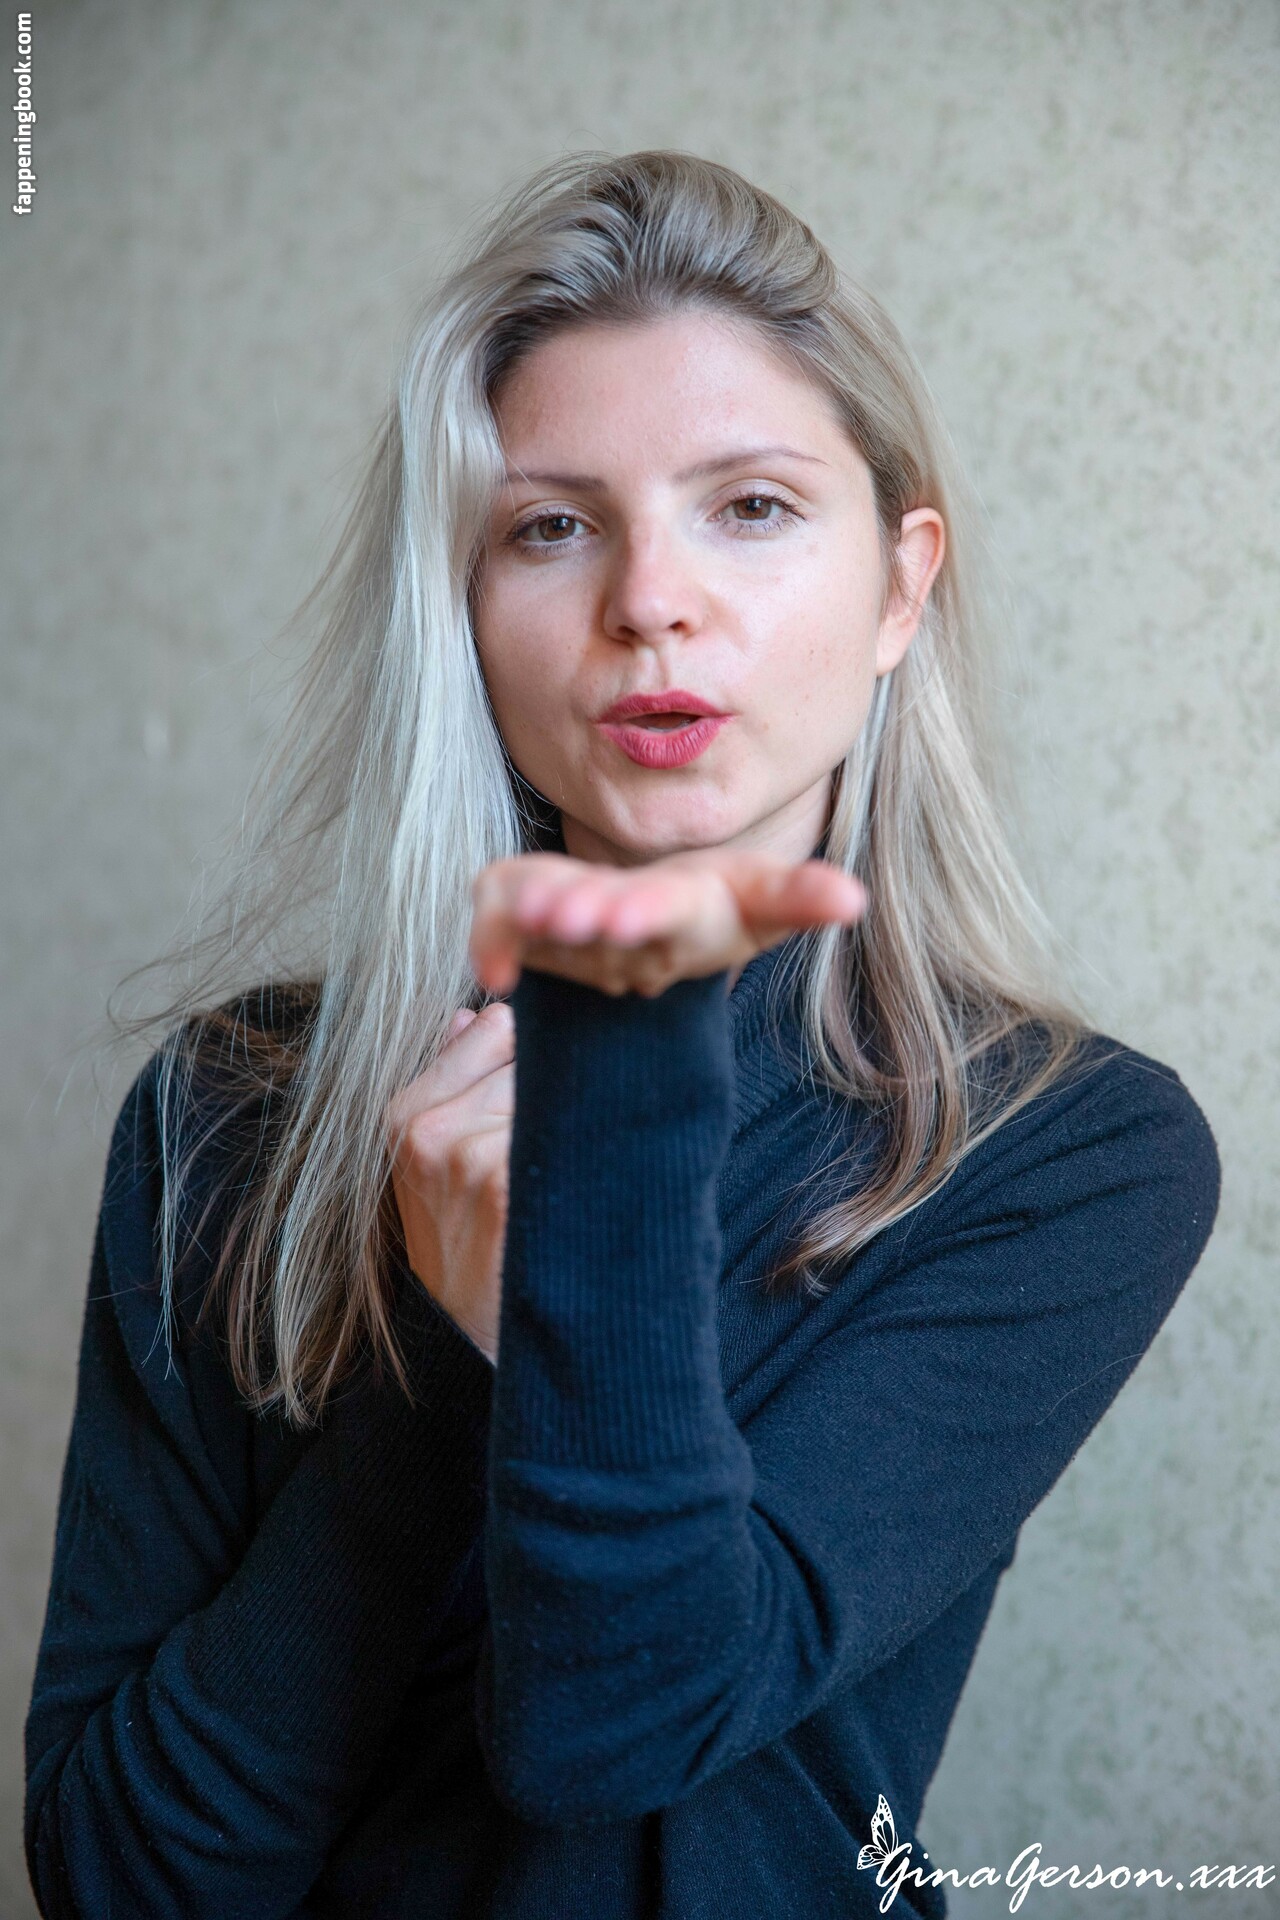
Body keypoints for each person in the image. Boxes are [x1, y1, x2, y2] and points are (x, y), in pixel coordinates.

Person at [24, 150, 1221, 1920]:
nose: (650, 597)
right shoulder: (231, 1110)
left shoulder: (1060, 1149)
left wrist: (594, 1135)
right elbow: (123, 1879)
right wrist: (437, 1362)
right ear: (464, 602)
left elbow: (614, 1729)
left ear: (900, 591)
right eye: (552, 526)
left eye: (751, 506)